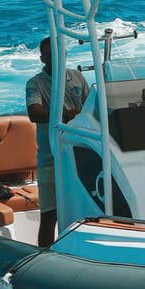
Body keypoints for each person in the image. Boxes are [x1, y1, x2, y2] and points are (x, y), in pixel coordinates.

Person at [26, 37, 91, 247]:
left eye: (59, 54)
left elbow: (91, 108)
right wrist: (64, 115)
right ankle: (42, 257)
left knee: (82, 211)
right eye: (50, 55)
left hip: (79, 156)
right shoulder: (35, 83)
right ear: (42, 58)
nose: (55, 58)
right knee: (49, 214)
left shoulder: (77, 77)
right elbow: (33, 113)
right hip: (50, 158)